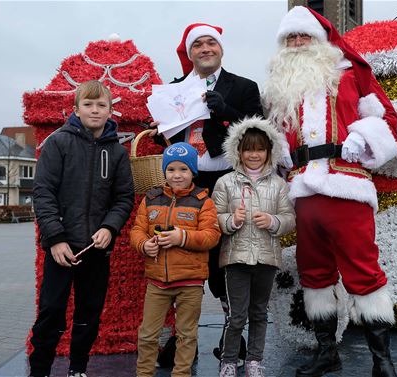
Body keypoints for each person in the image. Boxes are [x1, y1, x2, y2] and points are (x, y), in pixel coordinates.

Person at [263, 6, 397, 377]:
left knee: (363, 271)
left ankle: (382, 361)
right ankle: (327, 352)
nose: (296, 43)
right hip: (303, 191)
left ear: (320, 40)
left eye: (302, 36)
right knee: (314, 272)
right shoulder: (278, 88)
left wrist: (362, 138)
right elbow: (275, 139)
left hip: (347, 185)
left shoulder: (351, 73)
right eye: (290, 38)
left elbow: (386, 117)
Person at [152, 22, 263, 362]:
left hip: (226, 179)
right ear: (190, 53)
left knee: (224, 260)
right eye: (197, 44)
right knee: (180, 256)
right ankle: (182, 340)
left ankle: (234, 337)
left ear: (220, 49)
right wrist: (159, 130)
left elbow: (258, 132)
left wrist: (225, 110)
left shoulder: (244, 87)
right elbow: (166, 133)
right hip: (186, 181)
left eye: (210, 43)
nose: (204, 49)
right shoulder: (173, 90)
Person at [29, 80, 134, 377]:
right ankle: (39, 371)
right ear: (76, 109)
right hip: (60, 249)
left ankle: (78, 369)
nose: (95, 110)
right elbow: (43, 193)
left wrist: (110, 228)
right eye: (88, 104)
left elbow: (124, 198)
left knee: (89, 314)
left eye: (102, 105)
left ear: (111, 110)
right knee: (51, 313)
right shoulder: (58, 142)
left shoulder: (116, 152)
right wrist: (56, 239)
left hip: (95, 250)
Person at [212, 117, 295, 377]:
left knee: (259, 313)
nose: (254, 154)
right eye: (248, 149)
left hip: (266, 258)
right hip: (235, 258)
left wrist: (273, 221)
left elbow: (290, 219)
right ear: (238, 151)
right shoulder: (225, 183)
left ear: (269, 152)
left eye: (260, 149)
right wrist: (230, 221)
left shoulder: (279, 185)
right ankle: (228, 360)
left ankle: (254, 361)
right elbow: (213, 217)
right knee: (236, 316)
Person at [130, 142, 221, 377]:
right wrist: (144, 245)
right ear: (164, 172)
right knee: (148, 334)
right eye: (171, 169)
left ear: (193, 172)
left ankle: (182, 374)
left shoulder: (204, 201)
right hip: (157, 281)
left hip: (190, 282)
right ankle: (144, 374)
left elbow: (212, 236)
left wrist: (182, 237)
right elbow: (137, 230)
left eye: (183, 169)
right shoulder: (150, 199)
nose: (177, 175)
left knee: (186, 334)